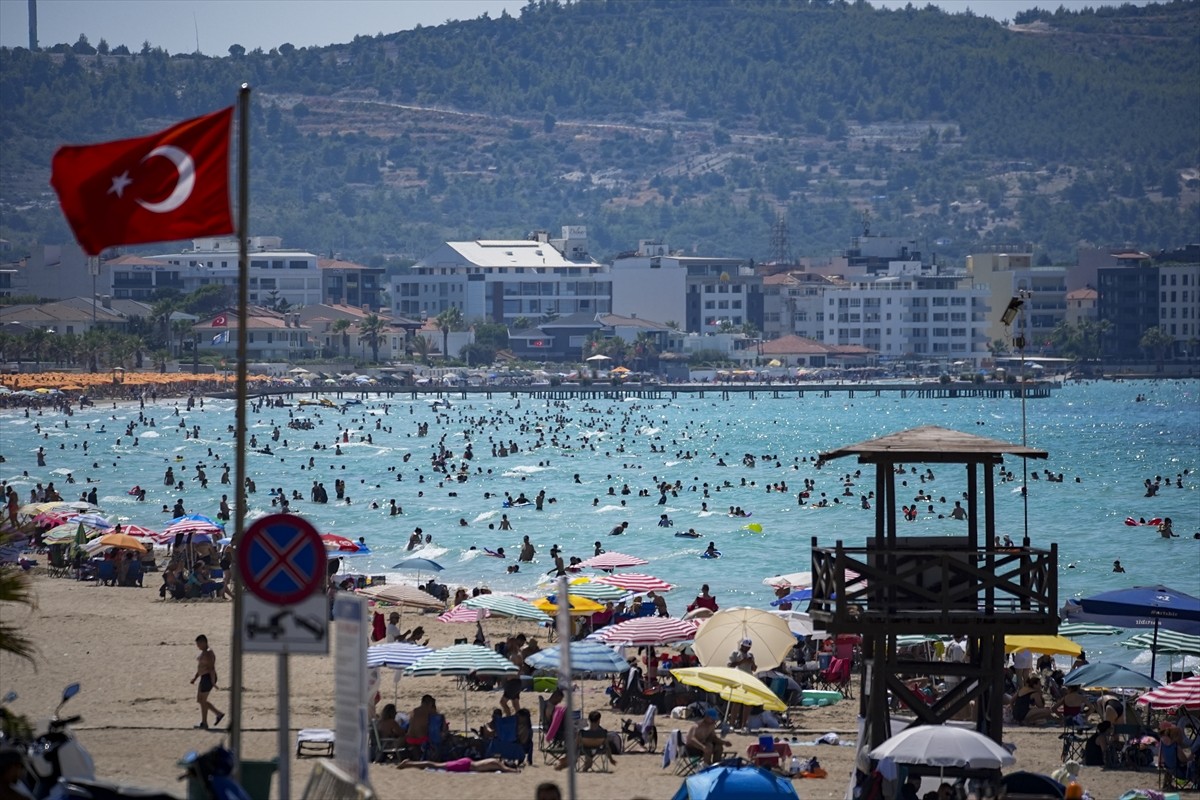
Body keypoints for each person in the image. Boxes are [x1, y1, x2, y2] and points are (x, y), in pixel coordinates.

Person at [191, 634, 224, 729]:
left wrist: (213, 682)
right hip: (203, 677)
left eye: (199, 644)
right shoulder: (204, 652)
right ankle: (216, 715)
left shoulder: (209, 653)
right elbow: (201, 667)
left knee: (202, 700)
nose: (198, 646)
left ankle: (206, 722)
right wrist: (195, 678)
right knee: (200, 700)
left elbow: (211, 668)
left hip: (208, 677)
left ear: (204, 642)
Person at [395, 757, 520, 773]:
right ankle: (408, 764)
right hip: (466, 765)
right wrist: (515, 771)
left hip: (468, 763)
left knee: (436, 765)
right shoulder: (497, 763)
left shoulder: (495, 760)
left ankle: (409, 764)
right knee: (435, 765)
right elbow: (505, 769)